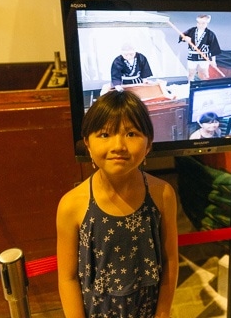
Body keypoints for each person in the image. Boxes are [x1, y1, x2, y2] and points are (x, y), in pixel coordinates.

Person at [56, 89, 178, 318]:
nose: (119, 145)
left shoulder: (163, 194)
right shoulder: (71, 205)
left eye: (131, 134)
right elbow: (67, 276)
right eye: (105, 134)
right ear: (87, 144)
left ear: (149, 144)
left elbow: (170, 260)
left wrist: (163, 313)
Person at [179, 14, 221, 81]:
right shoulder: (191, 31)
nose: (200, 25)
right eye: (199, 23)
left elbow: (214, 48)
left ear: (207, 23)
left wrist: (213, 61)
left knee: (204, 74)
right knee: (190, 73)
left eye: (203, 23)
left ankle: (204, 87)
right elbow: (181, 35)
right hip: (192, 56)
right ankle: (190, 85)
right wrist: (185, 38)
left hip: (204, 56)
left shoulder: (210, 34)